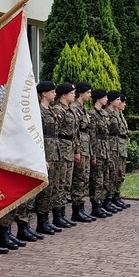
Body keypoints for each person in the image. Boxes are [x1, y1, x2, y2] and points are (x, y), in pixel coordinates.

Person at [33, 81, 62, 235]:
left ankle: (45, 220)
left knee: (52, 188)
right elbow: (37, 135)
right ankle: (40, 222)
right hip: (44, 153)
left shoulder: (50, 110)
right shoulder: (38, 111)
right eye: (52, 91)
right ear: (44, 93)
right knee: (43, 190)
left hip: (54, 152)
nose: (55, 94)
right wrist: (41, 157)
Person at [49, 82, 79, 227]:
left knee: (66, 183)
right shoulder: (58, 110)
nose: (74, 95)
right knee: (59, 183)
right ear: (64, 95)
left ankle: (61, 214)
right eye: (72, 93)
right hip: (61, 150)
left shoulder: (69, 109)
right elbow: (55, 133)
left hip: (69, 149)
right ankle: (56, 215)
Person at [68, 82, 96, 223]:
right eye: (88, 92)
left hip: (85, 146)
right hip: (78, 146)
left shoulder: (83, 108)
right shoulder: (74, 108)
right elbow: (75, 132)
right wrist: (77, 150)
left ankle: (80, 209)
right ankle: (76, 210)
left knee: (83, 178)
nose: (90, 95)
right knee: (78, 179)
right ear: (81, 93)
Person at [88, 89, 114, 218]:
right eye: (104, 97)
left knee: (104, 177)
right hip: (97, 147)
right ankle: (96, 206)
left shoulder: (103, 113)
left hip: (105, 148)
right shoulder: (92, 114)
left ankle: (102, 203)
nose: (106, 100)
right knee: (97, 179)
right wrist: (92, 153)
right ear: (99, 98)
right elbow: (92, 135)